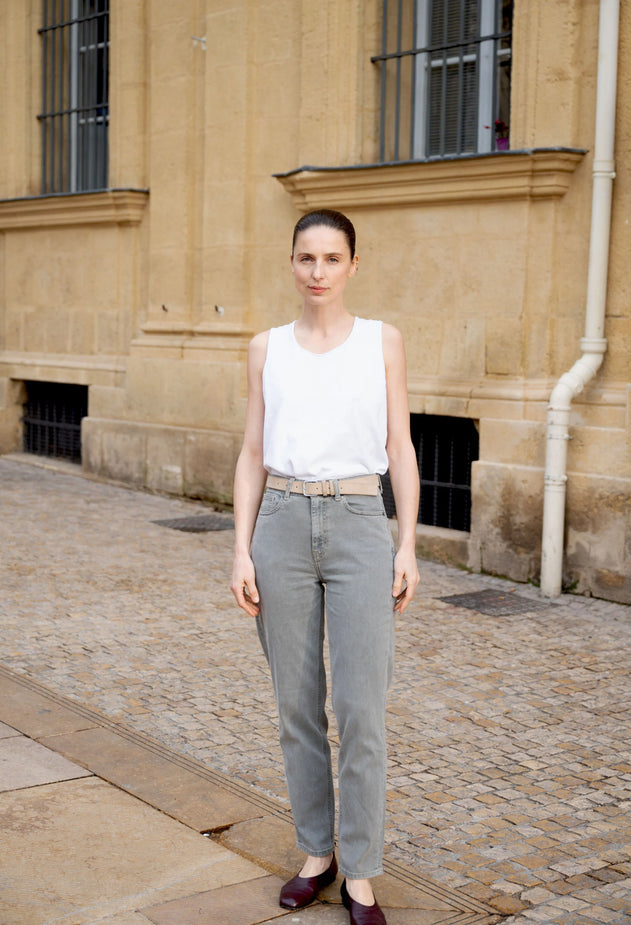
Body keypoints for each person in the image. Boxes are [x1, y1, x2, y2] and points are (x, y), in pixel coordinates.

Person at [231, 208, 420, 925]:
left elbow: (400, 446)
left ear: (352, 265)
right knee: (295, 705)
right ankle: (317, 852)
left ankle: (362, 871)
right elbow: (251, 451)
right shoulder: (265, 348)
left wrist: (406, 544)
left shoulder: (381, 342)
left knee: (362, 709)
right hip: (279, 523)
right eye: (305, 258)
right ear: (291, 263)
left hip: (357, 526)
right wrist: (239, 547)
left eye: (331, 258)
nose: (317, 272)